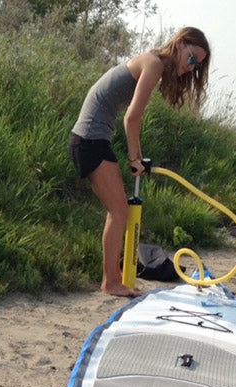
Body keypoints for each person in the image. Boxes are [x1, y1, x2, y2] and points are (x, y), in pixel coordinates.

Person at [69, 27, 210, 297]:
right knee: (120, 212)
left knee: (119, 211)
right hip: (89, 140)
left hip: (93, 139)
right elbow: (131, 118)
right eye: (192, 59)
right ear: (180, 43)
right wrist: (134, 158)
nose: (191, 68)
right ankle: (110, 282)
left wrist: (137, 156)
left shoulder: (152, 62)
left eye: (197, 66)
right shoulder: (155, 64)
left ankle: (115, 278)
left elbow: (130, 119)